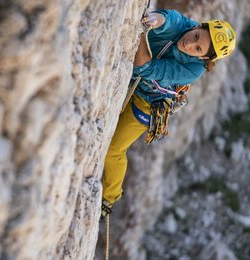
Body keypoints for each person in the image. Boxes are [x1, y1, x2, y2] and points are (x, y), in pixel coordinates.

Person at [101, 9, 236, 218]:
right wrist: (155, 20)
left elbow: (144, 68)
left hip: (147, 103)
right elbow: (169, 19)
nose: (189, 43)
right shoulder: (185, 25)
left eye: (198, 48)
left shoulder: (193, 70)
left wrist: (141, 33)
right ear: (198, 26)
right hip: (132, 85)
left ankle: (110, 197)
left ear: (204, 58)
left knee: (114, 149)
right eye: (197, 35)